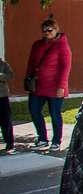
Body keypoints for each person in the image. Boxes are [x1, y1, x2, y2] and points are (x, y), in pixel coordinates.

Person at [25, 18, 72, 150]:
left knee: (55, 114)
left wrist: (61, 86)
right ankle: (42, 139)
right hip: (38, 86)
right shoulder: (37, 44)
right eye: (44, 30)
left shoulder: (62, 46)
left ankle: (56, 141)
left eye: (50, 30)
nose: (47, 33)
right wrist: (29, 81)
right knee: (34, 111)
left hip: (54, 87)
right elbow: (31, 63)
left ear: (56, 30)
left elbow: (65, 67)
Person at [0, 56, 13, 152]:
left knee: (6, 120)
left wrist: (0, 75)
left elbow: (10, 77)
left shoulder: (3, 64)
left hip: (2, 96)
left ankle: (9, 141)